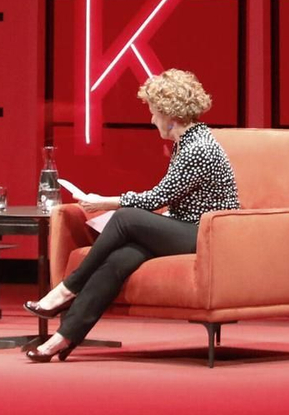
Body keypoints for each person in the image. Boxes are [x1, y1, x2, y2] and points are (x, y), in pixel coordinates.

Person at [21, 68, 238, 361]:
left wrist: (104, 202)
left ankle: (65, 290)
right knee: (121, 258)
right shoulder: (186, 143)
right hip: (185, 226)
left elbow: (156, 198)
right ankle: (62, 338)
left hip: (207, 234)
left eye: (153, 113)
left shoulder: (197, 148)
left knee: (126, 217)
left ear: (169, 113)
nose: (151, 120)